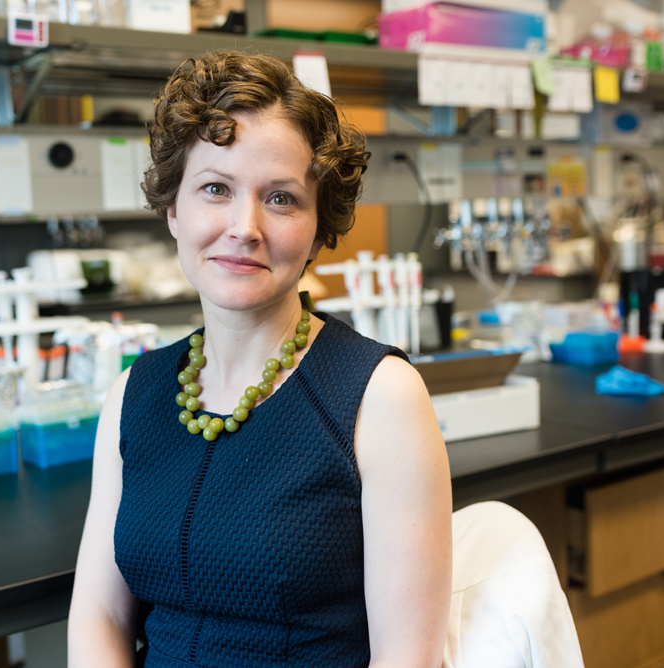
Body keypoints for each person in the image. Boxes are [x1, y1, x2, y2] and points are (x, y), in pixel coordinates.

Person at [68, 51, 452, 668]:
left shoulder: (379, 397)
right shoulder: (133, 394)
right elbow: (100, 615)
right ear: (173, 209)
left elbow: (407, 659)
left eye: (281, 199)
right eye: (215, 189)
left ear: (319, 228)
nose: (243, 227)